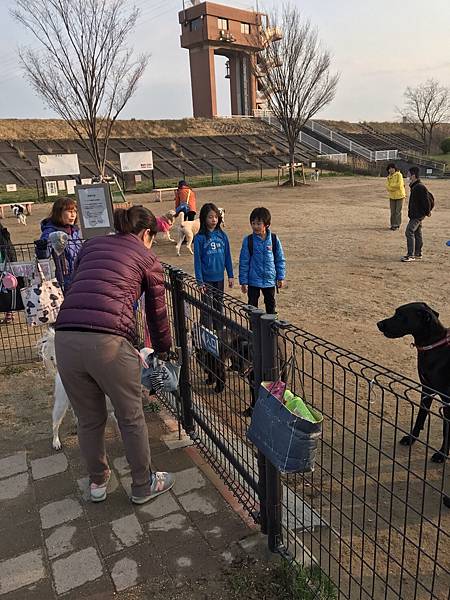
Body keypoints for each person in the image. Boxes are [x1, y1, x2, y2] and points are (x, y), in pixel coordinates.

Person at [54, 206, 175, 505]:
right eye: (153, 238)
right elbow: (156, 313)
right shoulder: (147, 257)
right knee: (131, 416)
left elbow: (76, 284)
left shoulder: (91, 245)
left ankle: (97, 482)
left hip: (66, 337)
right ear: (146, 233)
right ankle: (143, 484)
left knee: (88, 418)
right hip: (108, 342)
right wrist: (163, 350)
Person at [194, 203, 234, 331]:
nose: (214, 220)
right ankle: (206, 334)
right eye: (210, 217)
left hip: (219, 278)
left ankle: (219, 333)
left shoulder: (223, 236)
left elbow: (227, 256)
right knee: (207, 308)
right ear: (204, 218)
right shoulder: (199, 238)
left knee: (219, 306)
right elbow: (197, 262)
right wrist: (199, 281)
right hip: (206, 280)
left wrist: (230, 275)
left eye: (216, 217)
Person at [239, 207, 286, 314]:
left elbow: (279, 259)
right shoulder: (248, 240)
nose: (255, 226)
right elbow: (244, 262)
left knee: (270, 305)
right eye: (253, 223)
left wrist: (280, 277)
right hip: (253, 280)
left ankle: (270, 329)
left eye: (259, 223)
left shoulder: (273, 239)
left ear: (267, 224)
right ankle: (253, 328)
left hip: (269, 280)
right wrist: (244, 282)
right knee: (252, 307)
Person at [38, 197, 82, 289]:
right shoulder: (51, 231)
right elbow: (44, 255)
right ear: (59, 213)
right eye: (69, 211)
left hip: (79, 273)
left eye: (74, 211)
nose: (73, 215)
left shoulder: (75, 230)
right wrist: (42, 247)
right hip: (63, 278)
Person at [401, 166, 431, 262]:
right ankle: (418, 253)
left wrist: (427, 212)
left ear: (413, 175)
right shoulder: (414, 186)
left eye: (409, 174)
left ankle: (411, 255)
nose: (407, 176)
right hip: (416, 214)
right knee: (417, 233)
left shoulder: (419, 187)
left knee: (409, 231)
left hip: (418, 215)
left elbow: (426, 202)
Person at [0, 221, 17, 324]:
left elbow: (8, 248)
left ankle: (9, 312)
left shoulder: (2, 234)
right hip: (5, 261)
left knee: (6, 288)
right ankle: (9, 312)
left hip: (4, 262)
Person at [386, 163, 405, 230]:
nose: (391, 170)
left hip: (400, 196)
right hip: (392, 196)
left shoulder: (399, 175)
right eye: (389, 168)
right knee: (392, 212)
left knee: (398, 211)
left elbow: (399, 185)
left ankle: (397, 224)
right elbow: (387, 187)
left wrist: (391, 186)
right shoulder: (388, 177)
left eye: (392, 168)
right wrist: (393, 187)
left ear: (395, 168)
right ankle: (392, 224)